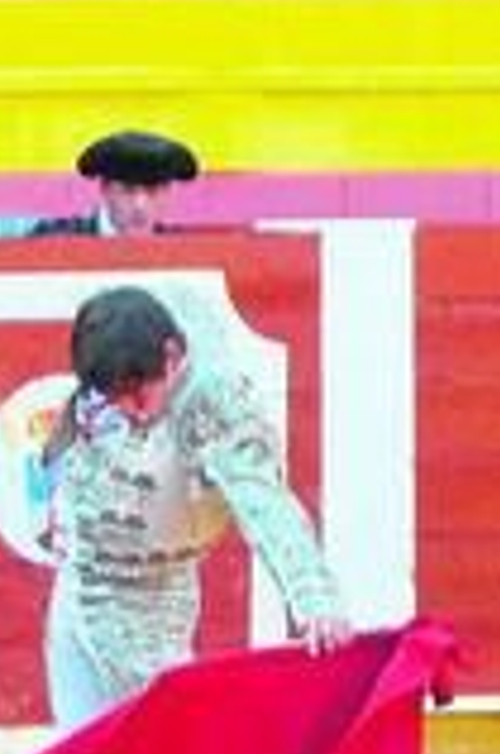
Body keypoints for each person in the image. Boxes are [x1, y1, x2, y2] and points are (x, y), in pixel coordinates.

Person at [42, 285, 352, 729]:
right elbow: (72, 429)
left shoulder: (216, 402)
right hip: (76, 581)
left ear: (173, 358)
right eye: (117, 399)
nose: (134, 413)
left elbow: (263, 501)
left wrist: (313, 597)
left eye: (140, 396)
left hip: (146, 605)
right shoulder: (125, 342)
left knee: (157, 753)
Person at [27, 130, 199, 239]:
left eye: (152, 192)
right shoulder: (56, 241)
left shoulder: (177, 251)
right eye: (127, 191)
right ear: (105, 189)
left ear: (167, 192)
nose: (140, 205)